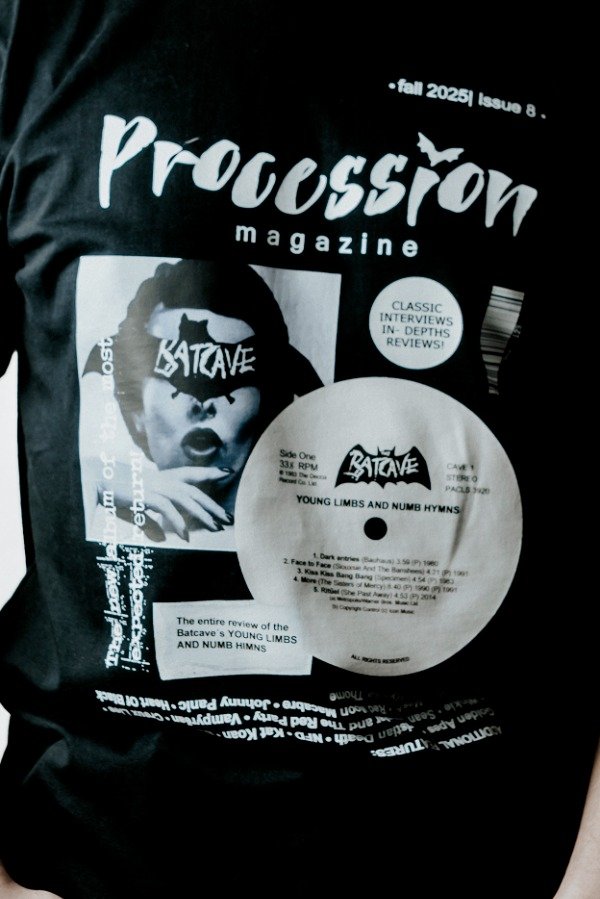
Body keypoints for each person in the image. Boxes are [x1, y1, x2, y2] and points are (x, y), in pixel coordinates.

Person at [0, 3, 596, 897]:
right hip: (89, 857)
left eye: (232, 376)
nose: (203, 401)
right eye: (179, 375)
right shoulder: (40, 22)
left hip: (482, 855)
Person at [80, 258, 322, 549]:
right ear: (136, 412)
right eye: (173, 371)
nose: (202, 404)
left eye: (227, 376)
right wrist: (90, 479)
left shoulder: (307, 545)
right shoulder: (100, 525)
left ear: (268, 406)